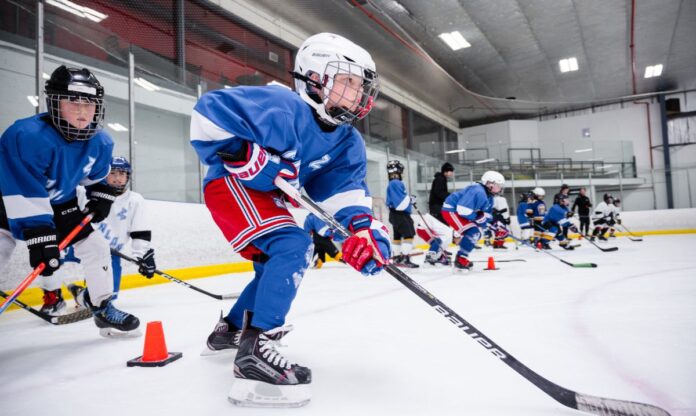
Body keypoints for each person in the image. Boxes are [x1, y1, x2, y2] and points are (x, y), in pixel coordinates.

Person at [190, 33, 389, 406]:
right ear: (315, 79)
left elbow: (342, 196)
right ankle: (256, 349)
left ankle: (231, 330)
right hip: (232, 185)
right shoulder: (281, 105)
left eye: (361, 85)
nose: (357, 93)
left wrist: (362, 231)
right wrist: (241, 153)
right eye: (348, 81)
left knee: (275, 260)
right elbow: (208, 112)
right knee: (292, 244)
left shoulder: (348, 141)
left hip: (267, 196)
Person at [0, 65, 139, 334]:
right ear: (54, 102)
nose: (82, 110)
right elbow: (22, 189)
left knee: (96, 246)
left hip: (60, 204)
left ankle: (101, 306)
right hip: (7, 203)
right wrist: (41, 237)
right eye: (72, 100)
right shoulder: (24, 136)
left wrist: (101, 195)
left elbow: (96, 179)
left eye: (89, 103)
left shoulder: (101, 142)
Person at [46, 156, 157, 308]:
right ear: (104, 174)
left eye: (122, 174)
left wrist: (142, 254)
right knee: (54, 262)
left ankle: (81, 296)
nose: (117, 179)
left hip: (112, 254)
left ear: (128, 177)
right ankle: (54, 296)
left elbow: (140, 231)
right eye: (113, 173)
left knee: (106, 299)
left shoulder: (135, 200)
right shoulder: (85, 193)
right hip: (81, 245)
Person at [441, 171, 505, 271]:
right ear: (489, 183)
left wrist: (496, 226)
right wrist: (478, 217)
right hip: (451, 210)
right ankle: (460, 259)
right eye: (498, 185)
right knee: (473, 232)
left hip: (461, 212)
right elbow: (463, 209)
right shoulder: (477, 190)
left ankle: (462, 257)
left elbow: (486, 215)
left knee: (477, 233)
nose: (500, 188)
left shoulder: (490, 197)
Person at [386, 160, 418, 268]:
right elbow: (400, 204)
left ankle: (397, 257)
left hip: (394, 215)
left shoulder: (392, 183)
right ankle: (405, 258)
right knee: (408, 235)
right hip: (401, 215)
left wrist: (409, 199)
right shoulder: (396, 183)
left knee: (397, 236)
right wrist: (410, 199)